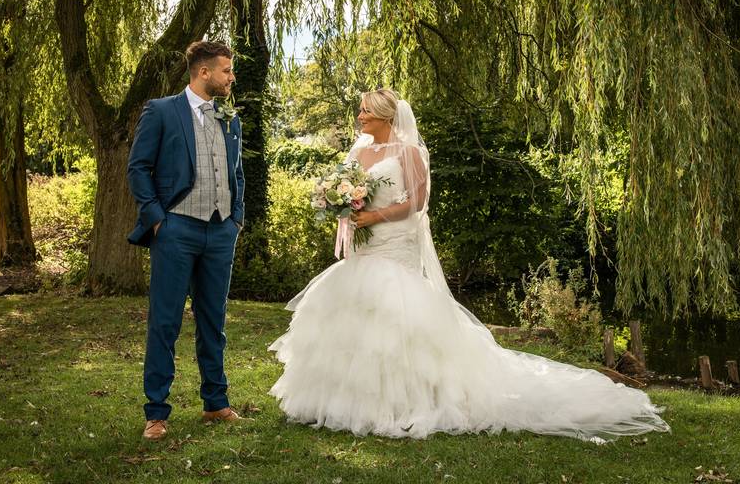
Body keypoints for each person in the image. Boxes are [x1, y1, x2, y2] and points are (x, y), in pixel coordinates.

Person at [269, 88, 669, 442]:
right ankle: (343, 401)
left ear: (385, 117)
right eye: (360, 112)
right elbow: (350, 190)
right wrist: (344, 206)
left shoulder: (409, 153)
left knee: (395, 321)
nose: (359, 118)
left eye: (365, 113)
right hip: (363, 246)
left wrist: (376, 216)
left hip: (393, 244)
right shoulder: (357, 151)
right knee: (351, 319)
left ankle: (407, 402)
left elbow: (416, 203)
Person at [126, 40, 245, 441]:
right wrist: (157, 220)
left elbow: (236, 173)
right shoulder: (162, 111)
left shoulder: (231, 118)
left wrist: (236, 218)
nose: (231, 77)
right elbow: (138, 168)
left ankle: (215, 402)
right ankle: (156, 412)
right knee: (165, 322)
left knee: (214, 322)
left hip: (220, 230)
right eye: (226, 70)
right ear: (204, 72)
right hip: (176, 229)